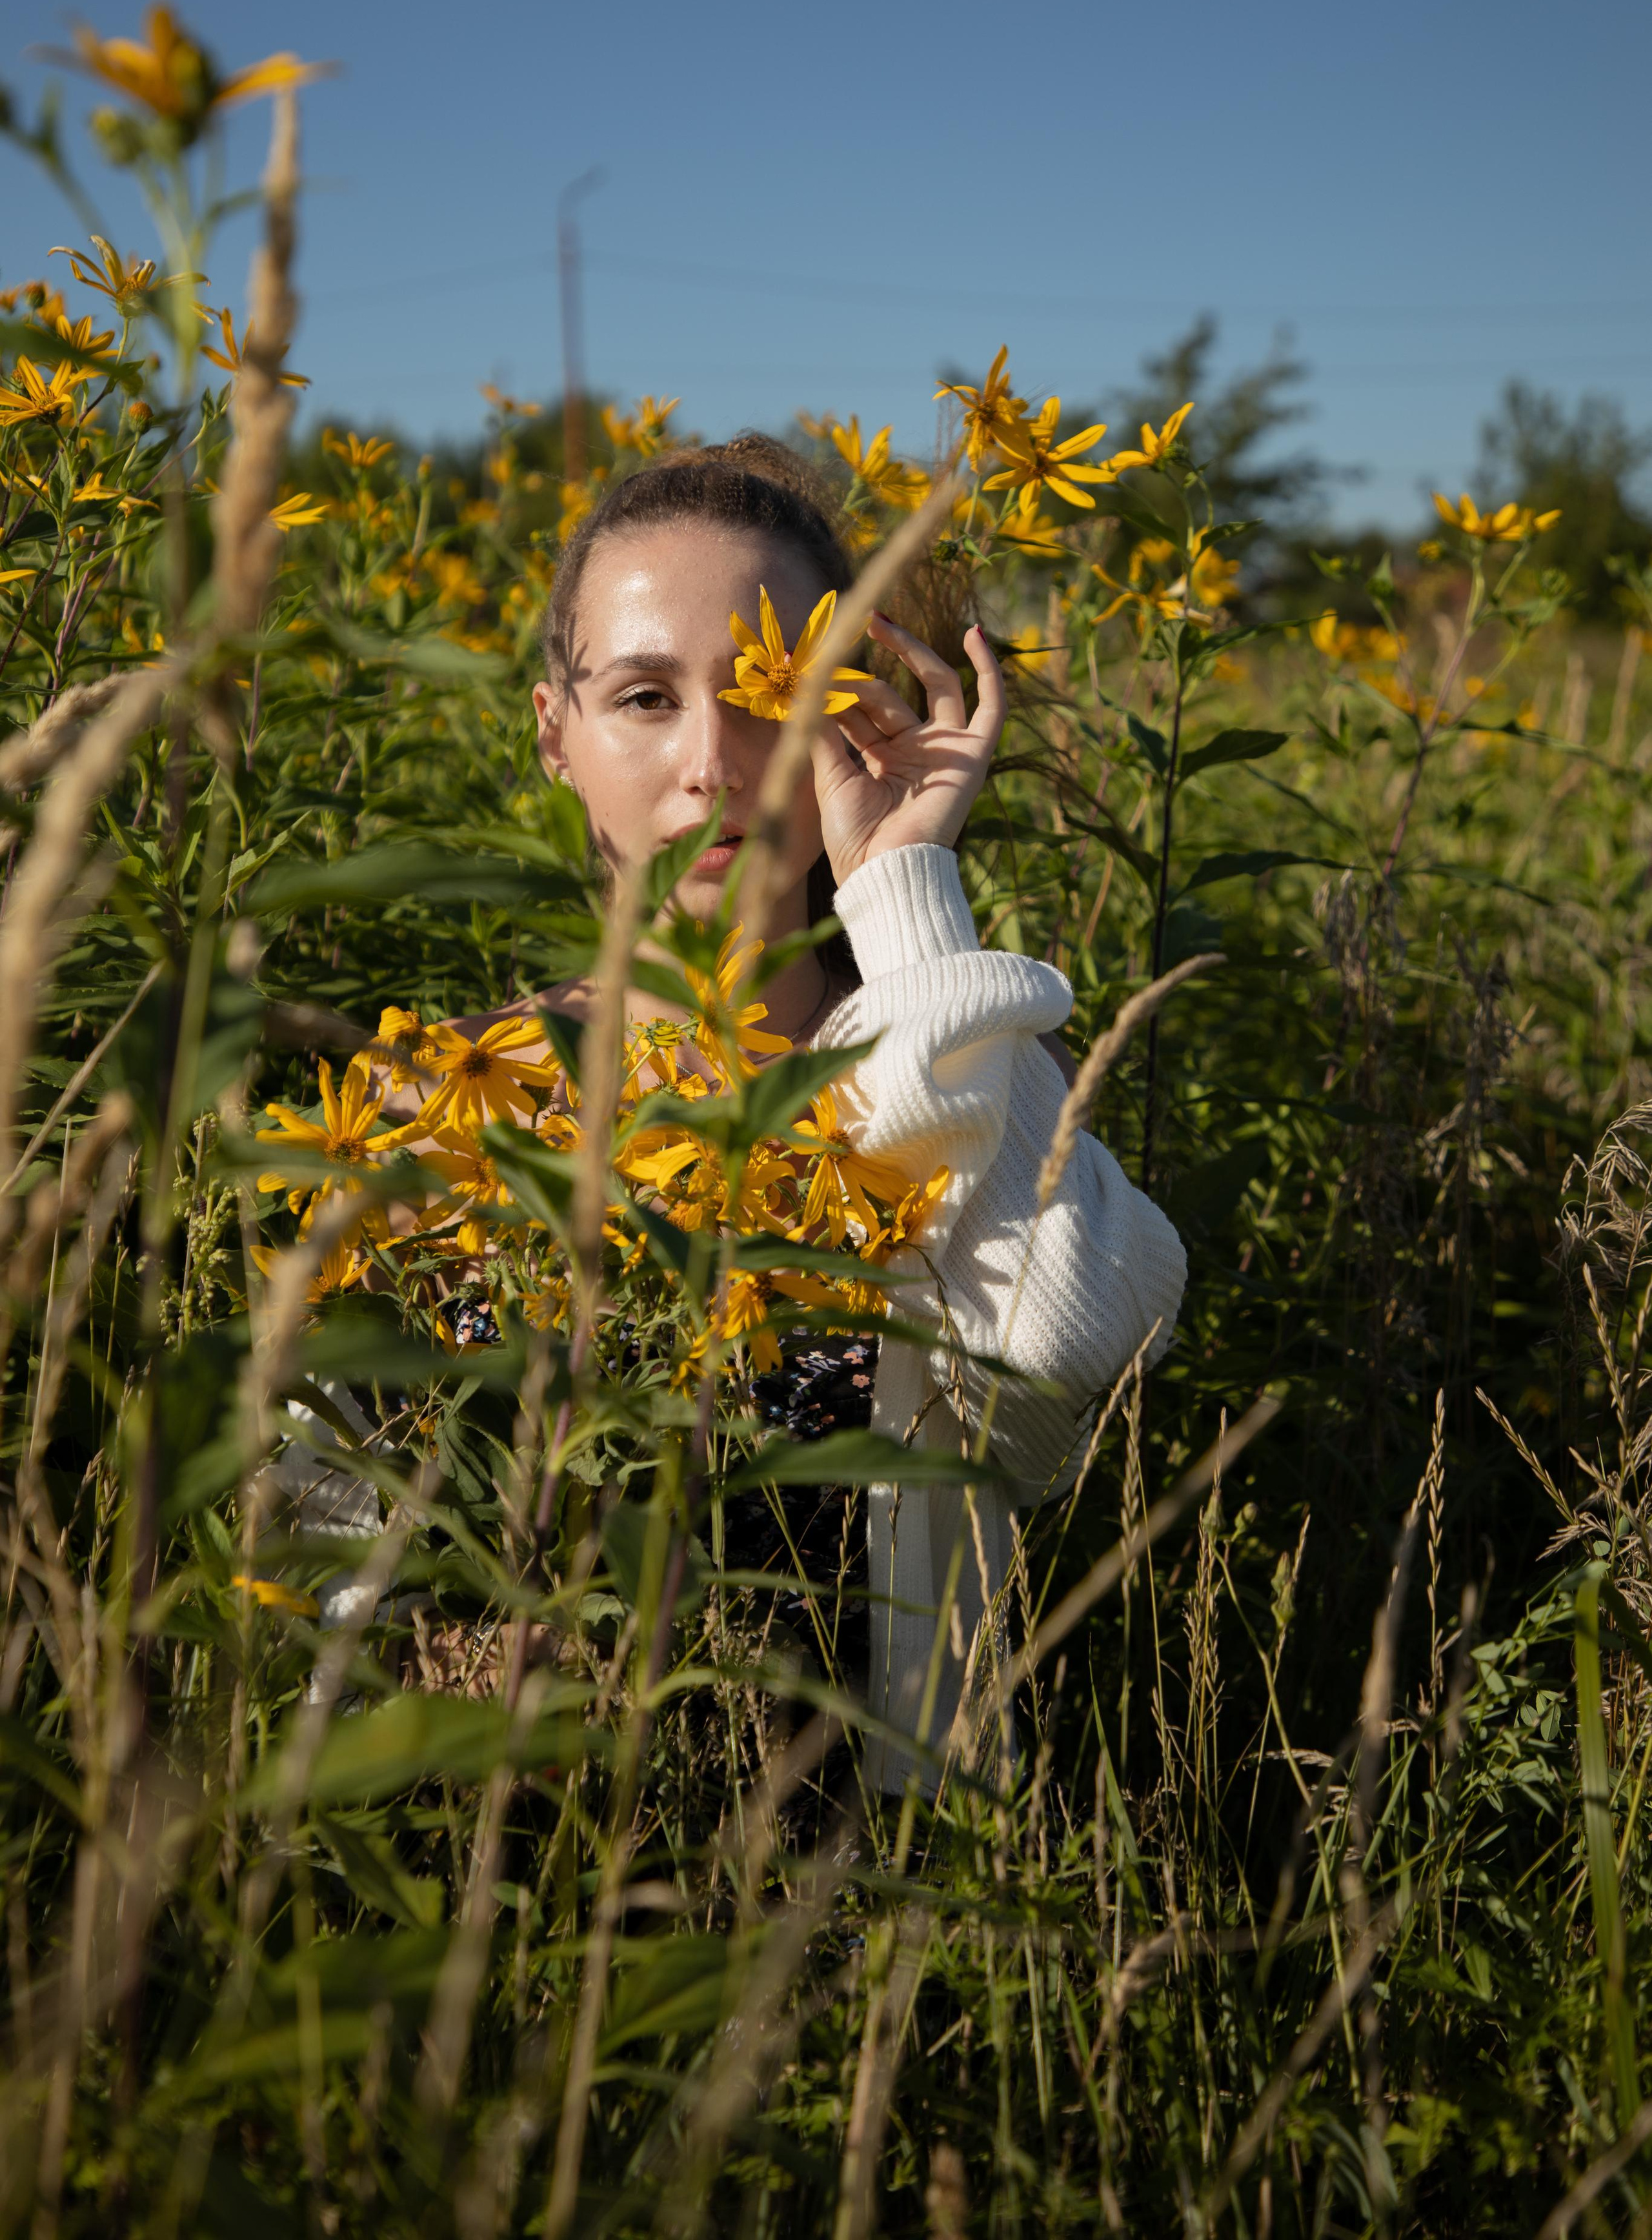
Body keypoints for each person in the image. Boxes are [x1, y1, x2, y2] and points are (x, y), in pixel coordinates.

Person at [290, 436, 1187, 1788]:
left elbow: (1057, 1369)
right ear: (555, 735)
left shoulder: (938, 1061)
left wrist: (907, 892)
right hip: (504, 1886)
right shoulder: (446, 1100)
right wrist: (437, 1671)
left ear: (850, 715)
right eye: (644, 697)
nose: (713, 763)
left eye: (769, 689)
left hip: (872, 1915)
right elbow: (307, 1518)